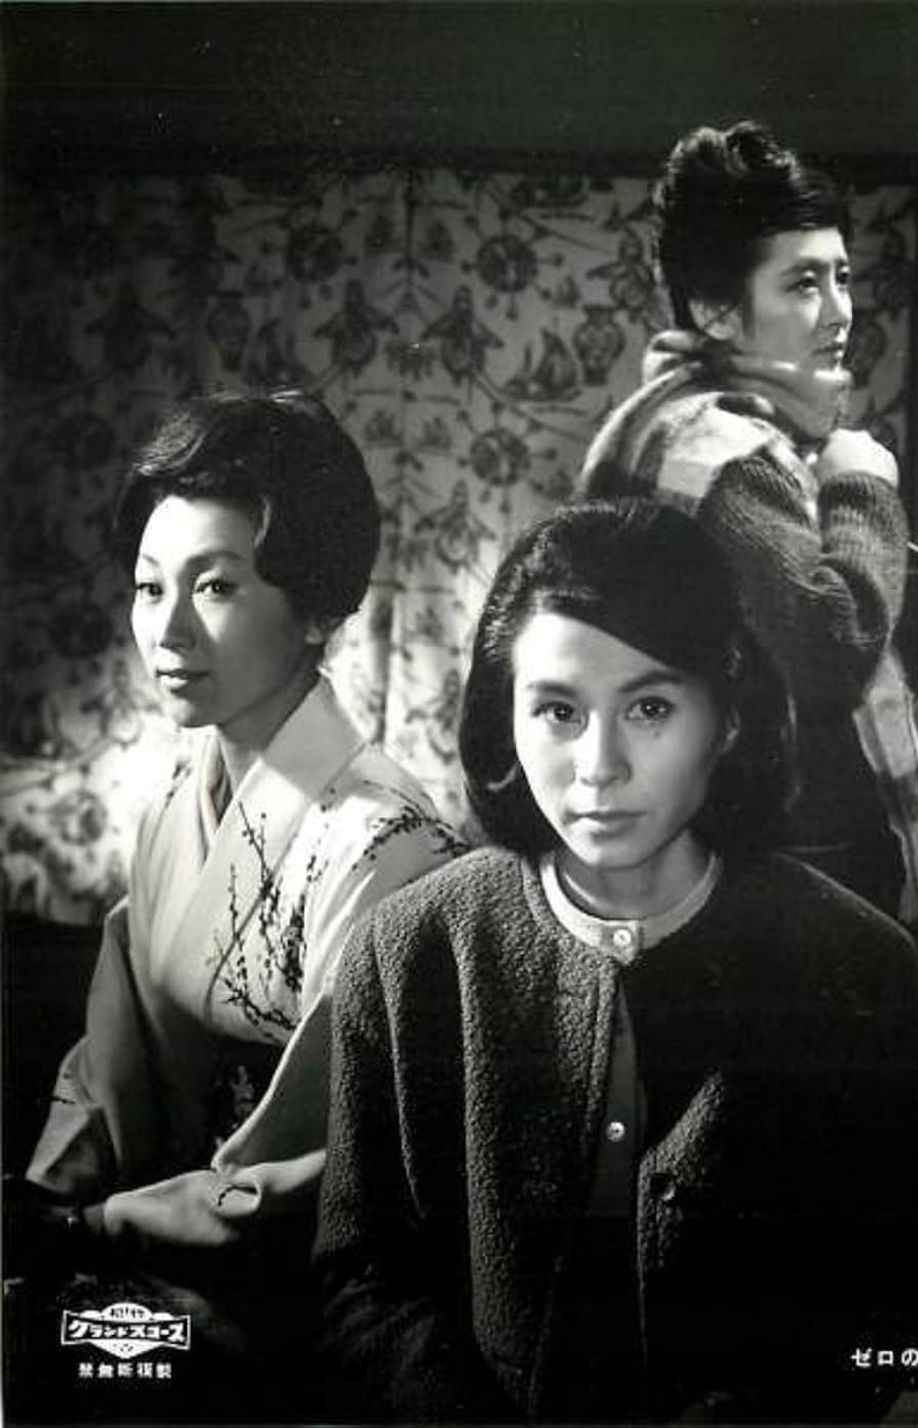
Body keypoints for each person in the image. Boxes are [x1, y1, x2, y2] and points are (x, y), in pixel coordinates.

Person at [312, 499, 918, 1424]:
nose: (599, 766)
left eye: (650, 708)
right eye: (557, 710)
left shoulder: (866, 968)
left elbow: (902, 1296)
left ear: (728, 719)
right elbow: (361, 1280)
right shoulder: (408, 951)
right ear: (505, 720)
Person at [7, 390, 462, 1415]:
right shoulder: (175, 806)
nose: (165, 629)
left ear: (315, 608)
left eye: (214, 585)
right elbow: (108, 1066)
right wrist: (40, 1205)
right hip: (155, 1253)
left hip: (309, 1301)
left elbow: (320, 1172)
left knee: (61, 1364)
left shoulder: (389, 845)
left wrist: (92, 1232)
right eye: (148, 586)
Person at [580, 120, 918, 936]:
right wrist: (862, 487)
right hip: (773, 892)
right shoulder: (721, 455)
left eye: (841, 277)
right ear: (718, 311)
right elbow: (832, 651)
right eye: (802, 284)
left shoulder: (677, 425)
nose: (840, 313)